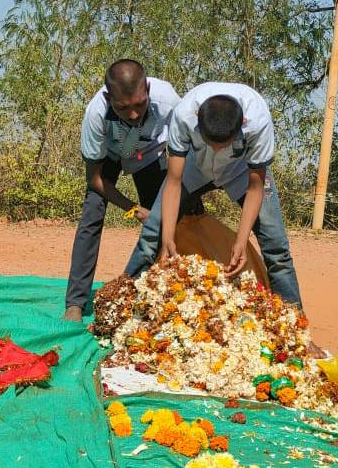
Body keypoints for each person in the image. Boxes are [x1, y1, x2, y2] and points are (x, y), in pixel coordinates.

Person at [124, 82, 304, 310]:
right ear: (198, 121)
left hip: (240, 170)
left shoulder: (258, 122)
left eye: (225, 145)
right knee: (153, 231)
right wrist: (168, 236)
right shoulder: (184, 114)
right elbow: (173, 180)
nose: (218, 150)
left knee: (276, 247)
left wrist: (241, 239)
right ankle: (125, 303)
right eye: (211, 143)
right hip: (195, 167)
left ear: (242, 127)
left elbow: (256, 187)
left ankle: (293, 321)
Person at [63, 60, 181, 322]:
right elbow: (95, 179)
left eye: (140, 104)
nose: (134, 115)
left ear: (148, 88)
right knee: (91, 216)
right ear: (108, 98)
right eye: (123, 108)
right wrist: (133, 209)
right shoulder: (96, 114)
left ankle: (159, 294)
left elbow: (181, 157)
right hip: (111, 157)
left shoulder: (169, 102)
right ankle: (75, 302)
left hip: (149, 156)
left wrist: (165, 205)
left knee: (161, 223)